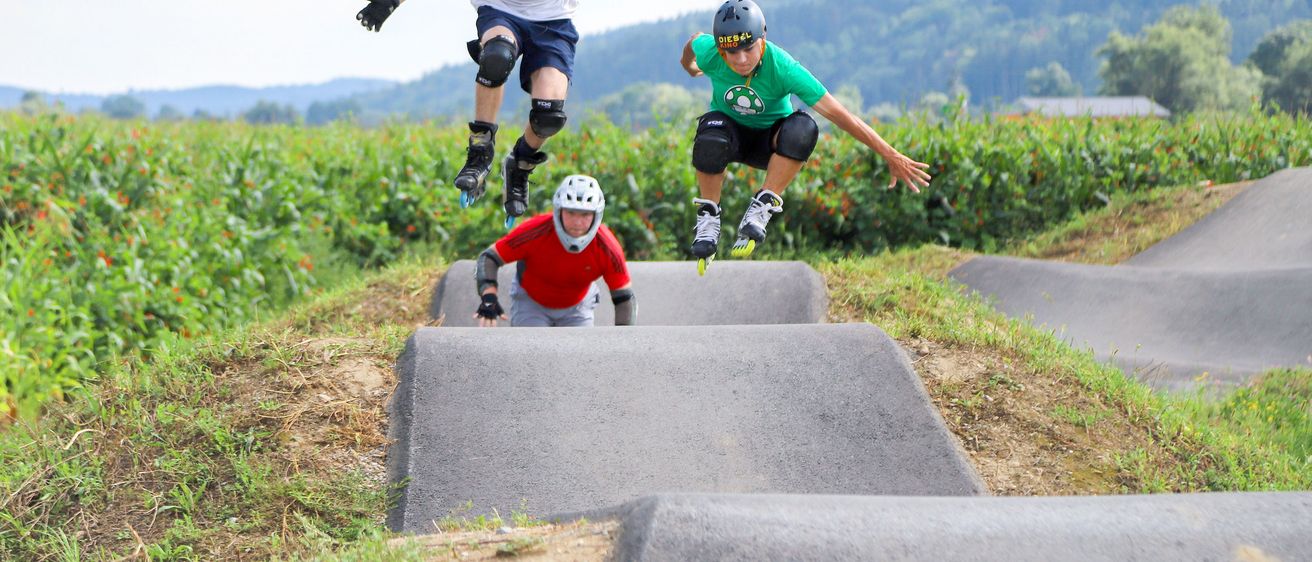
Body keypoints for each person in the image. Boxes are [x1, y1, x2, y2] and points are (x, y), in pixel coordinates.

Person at [679, 0, 932, 272]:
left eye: (748, 48)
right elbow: (694, 42)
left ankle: (764, 202)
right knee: (709, 137)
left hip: (770, 143)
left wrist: (889, 153)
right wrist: (691, 68)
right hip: (728, 136)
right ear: (720, 48)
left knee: (804, 128)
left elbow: (840, 115)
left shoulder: (784, 68)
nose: (741, 60)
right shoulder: (712, 54)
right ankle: (709, 216)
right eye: (731, 52)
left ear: (763, 38)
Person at [357, 0, 580, 228]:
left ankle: (520, 163)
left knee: (548, 116)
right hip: (501, 10)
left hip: (554, 21)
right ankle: (480, 150)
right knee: (497, 58)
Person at [472, 175, 636, 327]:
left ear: (596, 215)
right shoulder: (534, 231)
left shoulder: (607, 247)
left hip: (578, 308)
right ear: (558, 210)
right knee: (529, 353)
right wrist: (489, 297)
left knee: (580, 356)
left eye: (585, 214)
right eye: (571, 212)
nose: (577, 222)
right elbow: (489, 258)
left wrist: (623, 342)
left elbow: (624, 298)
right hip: (531, 304)